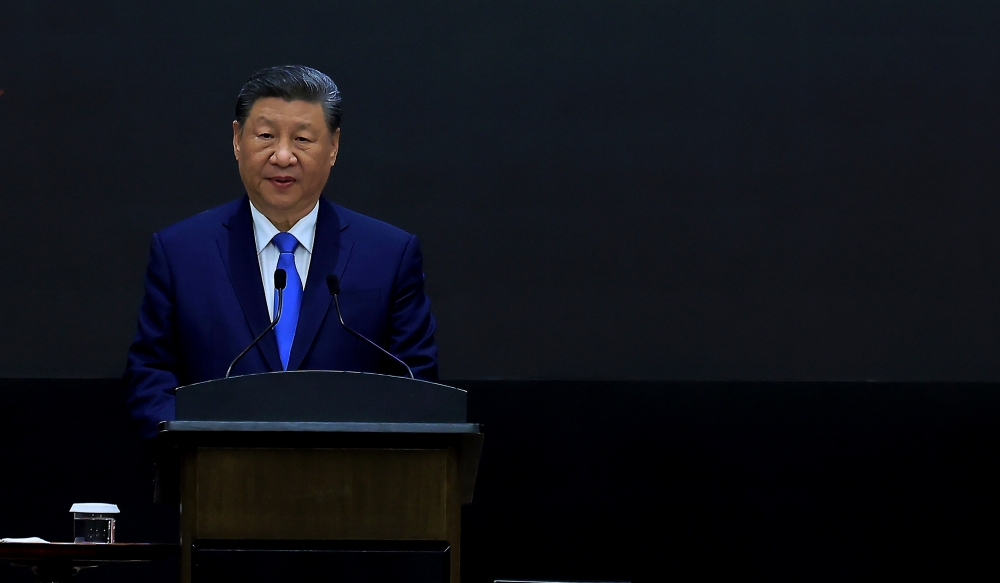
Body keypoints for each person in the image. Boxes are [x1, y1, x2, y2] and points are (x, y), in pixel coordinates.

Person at [124, 65, 438, 439]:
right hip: (218, 481)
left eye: (303, 139)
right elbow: (150, 376)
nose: (283, 156)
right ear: (237, 139)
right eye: (266, 136)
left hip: (350, 483)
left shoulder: (389, 254)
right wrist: (195, 445)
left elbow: (415, 386)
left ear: (334, 146)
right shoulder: (181, 253)